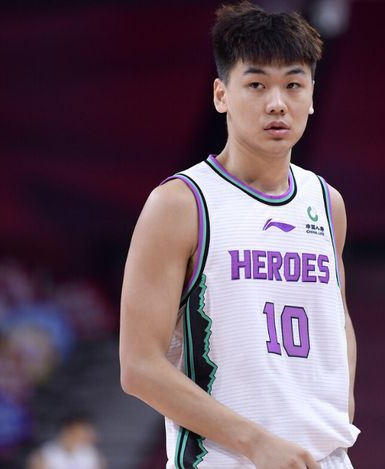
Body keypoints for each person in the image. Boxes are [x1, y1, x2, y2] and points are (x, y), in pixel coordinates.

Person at [119, 2, 360, 468]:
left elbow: (337, 321)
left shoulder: (328, 203)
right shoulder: (180, 204)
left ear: (312, 96)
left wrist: (340, 407)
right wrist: (256, 443)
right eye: (256, 84)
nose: (277, 103)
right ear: (221, 94)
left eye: (293, 84)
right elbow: (138, 366)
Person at [26, 413, 106, 469]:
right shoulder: (44, 455)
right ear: (68, 429)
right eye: (84, 430)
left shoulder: (93, 455)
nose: (88, 435)